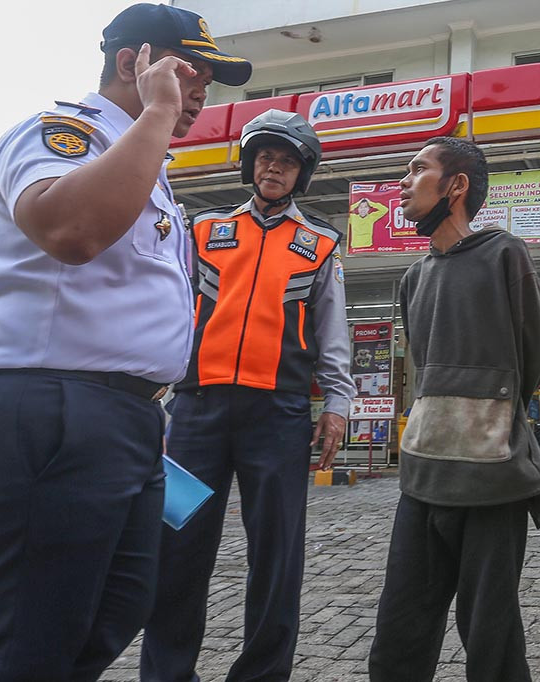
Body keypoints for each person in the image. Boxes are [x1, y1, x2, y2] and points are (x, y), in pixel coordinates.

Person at [0, 4, 250, 681]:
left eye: (210, 82)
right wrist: (158, 115)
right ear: (135, 62)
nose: (201, 93)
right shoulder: (61, 133)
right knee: (23, 647)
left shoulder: (144, 166)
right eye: (191, 73)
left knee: (115, 608)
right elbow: (69, 230)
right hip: (51, 409)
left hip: (122, 420)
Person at [140, 109, 356, 682]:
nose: (273, 168)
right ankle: (166, 673)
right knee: (175, 545)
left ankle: (262, 674)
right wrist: (150, 393)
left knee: (277, 556)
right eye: (265, 157)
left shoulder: (320, 244)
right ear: (249, 164)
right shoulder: (203, 231)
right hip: (195, 415)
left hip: (278, 417)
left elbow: (333, 333)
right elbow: (168, 312)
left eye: (287, 161)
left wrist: (337, 405)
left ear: (301, 174)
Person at [368, 137, 540, 682]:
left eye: (417, 169)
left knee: (489, 632)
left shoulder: (504, 253)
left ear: (456, 186)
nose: (404, 182)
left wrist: (489, 421)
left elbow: (536, 353)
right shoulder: (413, 279)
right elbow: (425, 370)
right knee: (399, 630)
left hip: (492, 476)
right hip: (423, 473)